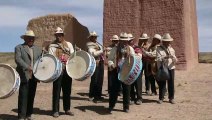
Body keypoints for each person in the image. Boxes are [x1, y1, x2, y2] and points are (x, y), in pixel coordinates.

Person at [15, 30, 42, 120]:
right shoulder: (19, 48)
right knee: (23, 96)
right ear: (25, 38)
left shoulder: (38, 49)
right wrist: (27, 67)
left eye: (32, 38)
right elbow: (18, 59)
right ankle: (21, 116)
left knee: (31, 95)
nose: (31, 40)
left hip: (34, 76)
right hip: (24, 75)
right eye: (29, 38)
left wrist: (41, 75)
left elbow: (41, 61)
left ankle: (28, 114)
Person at [48, 27, 74, 117]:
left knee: (67, 91)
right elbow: (51, 58)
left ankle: (67, 109)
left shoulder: (69, 44)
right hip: (57, 71)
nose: (58, 37)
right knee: (56, 91)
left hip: (67, 71)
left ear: (63, 35)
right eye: (57, 35)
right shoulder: (52, 46)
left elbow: (73, 55)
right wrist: (58, 59)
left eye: (60, 35)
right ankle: (55, 110)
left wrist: (68, 58)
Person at [108, 32, 135, 113]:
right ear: (120, 41)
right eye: (123, 41)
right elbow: (109, 59)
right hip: (116, 71)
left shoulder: (130, 49)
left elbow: (134, 59)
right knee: (114, 90)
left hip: (126, 72)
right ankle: (111, 106)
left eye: (126, 41)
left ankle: (126, 107)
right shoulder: (115, 49)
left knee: (127, 89)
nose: (124, 42)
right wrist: (112, 65)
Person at [156, 33, 177, 104]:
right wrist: (166, 57)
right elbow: (158, 58)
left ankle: (171, 98)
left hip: (171, 67)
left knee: (171, 83)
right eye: (167, 41)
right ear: (163, 41)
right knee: (162, 83)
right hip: (163, 67)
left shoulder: (172, 49)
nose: (168, 42)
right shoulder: (158, 49)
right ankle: (161, 98)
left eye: (169, 41)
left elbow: (175, 58)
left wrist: (174, 59)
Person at [86, 31, 104, 103]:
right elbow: (93, 53)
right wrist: (102, 51)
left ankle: (98, 95)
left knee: (100, 79)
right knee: (95, 79)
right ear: (91, 37)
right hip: (95, 63)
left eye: (96, 36)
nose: (95, 38)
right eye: (94, 36)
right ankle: (92, 95)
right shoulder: (89, 45)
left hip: (100, 62)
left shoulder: (97, 44)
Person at [128, 33, 143, 105]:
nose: (129, 41)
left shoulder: (137, 48)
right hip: (129, 69)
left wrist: (132, 54)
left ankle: (139, 98)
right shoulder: (125, 48)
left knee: (138, 83)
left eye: (130, 40)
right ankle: (132, 98)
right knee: (130, 83)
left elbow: (139, 56)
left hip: (137, 68)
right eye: (128, 40)